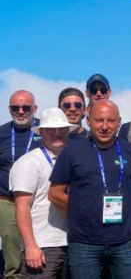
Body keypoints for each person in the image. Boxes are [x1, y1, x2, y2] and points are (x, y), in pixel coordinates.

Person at [48, 100, 131, 279]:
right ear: (88, 121)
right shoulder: (71, 152)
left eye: (110, 121)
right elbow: (55, 194)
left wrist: (129, 213)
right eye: (99, 120)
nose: (105, 127)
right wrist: (80, 213)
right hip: (84, 243)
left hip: (124, 242)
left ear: (119, 122)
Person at [11, 108, 77, 279]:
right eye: (51, 129)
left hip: (75, 243)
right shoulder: (29, 162)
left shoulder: (76, 159)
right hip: (43, 245)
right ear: (41, 132)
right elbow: (21, 206)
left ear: (68, 131)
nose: (57, 133)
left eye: (62, 129)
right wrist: (30, 246)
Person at [0, 90, 40, 279]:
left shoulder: (45, 130)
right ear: (9, 109)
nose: (21, 111)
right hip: (8, 201)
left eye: (26, 107)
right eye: (16, 108)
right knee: (12, 260)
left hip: (38, 202)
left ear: (35, 109)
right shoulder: (2, 133)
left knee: (40, 252)